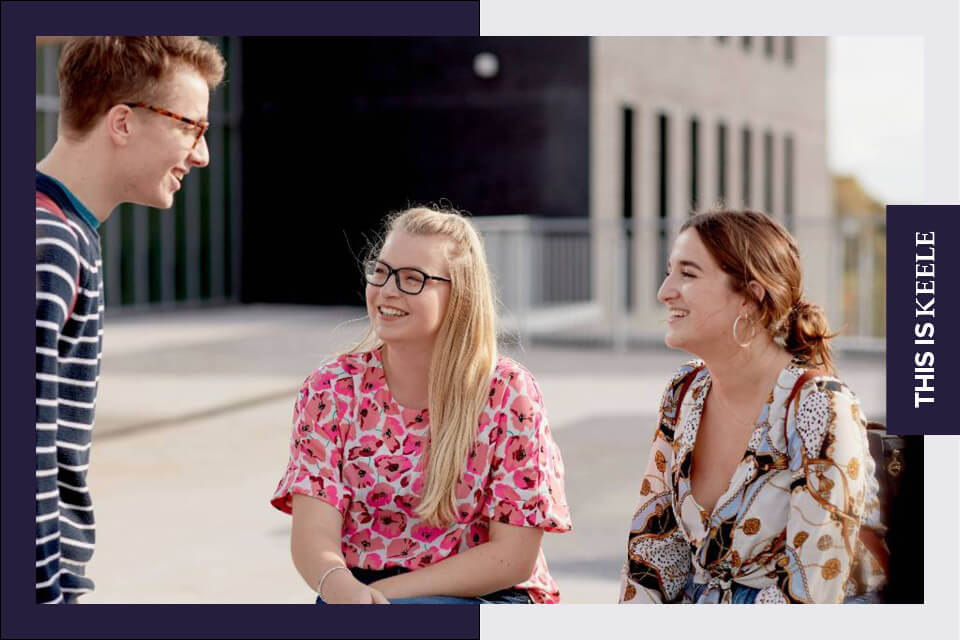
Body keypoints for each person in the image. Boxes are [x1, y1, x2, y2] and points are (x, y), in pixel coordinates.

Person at [270, 206, 571, 604]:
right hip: (357, 589)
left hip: (489, 596)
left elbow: (512, 557)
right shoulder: (331, 390)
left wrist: (384, 596)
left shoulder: (508, 393)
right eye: (381, 272)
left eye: (413, 279)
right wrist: (338, 585)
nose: (388, 290)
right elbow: (313, 533)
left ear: (459, 296)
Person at [35, 37, 225, 604]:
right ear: (122, 122)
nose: (202, 154)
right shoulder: (49, 244)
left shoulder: (62, 233)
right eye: (192, 126)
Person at [618, 210, 887, 604]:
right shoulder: (685, 390)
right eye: (668, 271)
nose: (664, 292)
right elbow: (652, 555)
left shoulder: (821, 406)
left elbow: (811, 593)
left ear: (750, 296)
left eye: (688, 274)